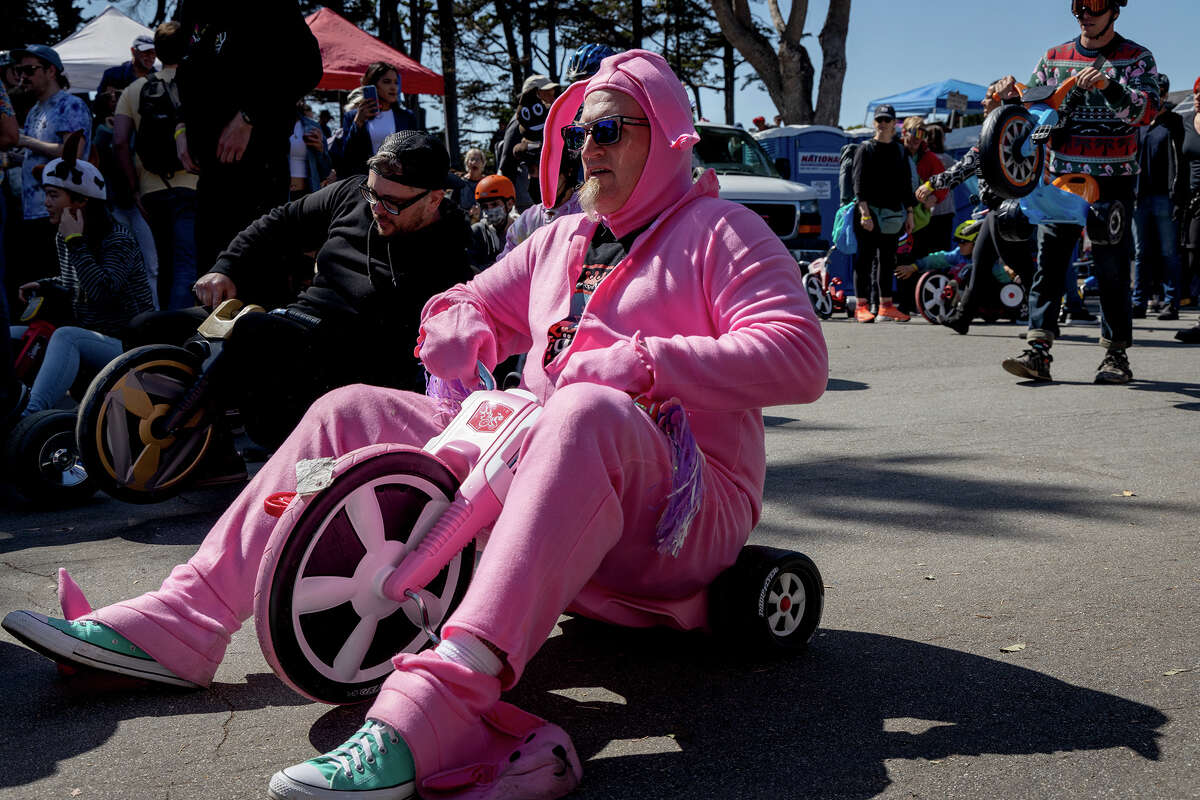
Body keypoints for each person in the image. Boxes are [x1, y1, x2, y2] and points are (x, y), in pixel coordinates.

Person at [2, 50, 828, 800]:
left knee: (583, 408)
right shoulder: (565, 239)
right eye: (578, 129)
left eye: (609, 127)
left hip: (683, 517)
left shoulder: (723, 231)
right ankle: (186, 619)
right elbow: (468, 299)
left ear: (670, 137)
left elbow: (799, 357)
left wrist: (647, 363)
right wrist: (458, 320)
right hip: (543, 477)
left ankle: (443, 703)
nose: (587, 146)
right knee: (350, 407)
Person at [128, 131, 475, 450]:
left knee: (255, 333)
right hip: (298, 320)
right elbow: (279, 223)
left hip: (355, 361)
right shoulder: (352, 195)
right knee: (148, 328)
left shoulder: (453, 248)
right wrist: (226, 268)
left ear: (433, 199)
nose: (377, 209)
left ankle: (273, 449)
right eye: (373, 194)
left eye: (392, 203)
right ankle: (208, 455)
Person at [996, 0, 1160, 384]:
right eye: (1077, 5)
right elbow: (1034, 108)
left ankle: (1116, 355)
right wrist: (1008, 96)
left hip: (1113, 176)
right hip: (1061, 177)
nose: (1085, 12)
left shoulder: (1137, 58)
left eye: (1095, 4)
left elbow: (1147, 111)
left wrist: (1109, 86)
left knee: (1112, 266)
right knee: (1050, 263)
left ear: (1115, 10)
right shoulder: (1054, 58)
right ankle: (1038, 352)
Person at [173, 0, 323, 284]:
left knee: (257, 276)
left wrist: (249, 115)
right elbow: (187, 71)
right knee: (209, 275)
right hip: (208, 172)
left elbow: (308, 66)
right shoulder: (192, 6)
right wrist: (182, 128)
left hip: (257, 167)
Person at [7, 148, 155, 418]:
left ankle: (28, 419)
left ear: (81, 201)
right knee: (12, 333)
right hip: (94, 339)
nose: (46, 203)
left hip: (130, 348)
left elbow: (102, 292)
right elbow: (73, 281)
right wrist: (45, 284)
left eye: (53, 195)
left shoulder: (117, 240)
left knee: (66, 336)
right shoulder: (66, 236)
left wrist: (75, 243)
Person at [113, 20, 198, 311]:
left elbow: (120, 142)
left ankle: (164, 326)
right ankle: (182, 330)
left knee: (164, 263)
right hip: (193, 185)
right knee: (188, 261)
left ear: (157, 51)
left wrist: (135, 189)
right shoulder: (196, 84)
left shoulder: (134, 89)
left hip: (152, 190)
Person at [10, 44, 91, 312]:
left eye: (30, 69)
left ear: (51, 70)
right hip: (34, 212)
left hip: (60, 213)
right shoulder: (35, 110)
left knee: (59, 289)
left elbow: (73, 154)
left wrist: (27, 141)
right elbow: (39, 159)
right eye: (19, 70)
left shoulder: (71, 104)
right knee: (38, 285)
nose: (23, 76)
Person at [851, 104, 915, 322]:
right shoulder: (865, 149)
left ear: (894, 124)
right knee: (864, 260)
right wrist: (864, 213)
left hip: (893, 215)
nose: (883, 124)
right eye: (879, 120)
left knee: (887, 260)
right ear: (874, 123)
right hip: (869, 213)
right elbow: (858, 184)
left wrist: (910, 213)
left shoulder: (899, 150)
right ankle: (861, 306)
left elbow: (906, 184)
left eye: (887, 120)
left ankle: (885, 306)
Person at [1130, 73, 1184, 321]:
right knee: (1141, 253)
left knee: (1168, 252)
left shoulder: (1174, 123)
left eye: (1160, 92)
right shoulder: (1139, 124)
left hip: (1165, 196)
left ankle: (1170, 303)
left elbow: (1181, 160)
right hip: (1139, 197)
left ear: (1164, 94)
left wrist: (1178, 194)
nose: (1156, 96)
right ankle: (1138, 301)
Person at [333, 62, 419, 177]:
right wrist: (358, 122)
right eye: (386, 82)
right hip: (364, 181)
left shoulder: (407, 117)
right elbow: (347, 155)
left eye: (396, 82)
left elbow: (416, 151)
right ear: (372, 85)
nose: (393, 87)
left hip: (398, 181)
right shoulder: (352, 116)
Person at [496, 75, 561, 210]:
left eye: (552, 93)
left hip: (549, 198)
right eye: (547, 93)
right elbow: (506, 165)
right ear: (533, 95)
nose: (552, 97)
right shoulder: (519, 124)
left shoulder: (547, 118)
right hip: (527, 204)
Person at [466, 174, 518, 271]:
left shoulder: (522, 231)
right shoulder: (478, 232)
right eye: (485, 206)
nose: (489, 210)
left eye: (494, 204)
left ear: (510, 204)